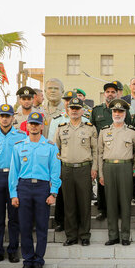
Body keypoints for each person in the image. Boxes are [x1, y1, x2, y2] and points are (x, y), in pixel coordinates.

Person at [9, 112, 61, 268]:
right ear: (27, 125)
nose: (34, 126)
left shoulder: (51, 147)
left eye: (37, 124)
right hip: (23, 188)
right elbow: (13, 171)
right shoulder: (18, 146)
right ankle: (28, 260)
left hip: (42, 189)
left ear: (42, 126)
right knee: (24, 226)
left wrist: (53, 192)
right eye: (31, 123)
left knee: (41, 226)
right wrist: (13, 194)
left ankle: (39, 261)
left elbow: (55, 171)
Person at [0, 103, 27, 264]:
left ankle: (13, 250)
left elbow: (24, 160)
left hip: (15, 179)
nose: (5, 119)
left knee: (14, 217)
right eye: (2, 115)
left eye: (8, 116)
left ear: (13, 117)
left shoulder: (21, 136)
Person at [55, 97, 98, 247]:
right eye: (72, 108)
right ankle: (71, 235)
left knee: (84, 204)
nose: (74, 110)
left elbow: (95, 150)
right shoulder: (61, 128)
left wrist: (94, 168)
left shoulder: (90, 128)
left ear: (82, 111)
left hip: (84, 168)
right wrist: (57, 171)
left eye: (77, 108)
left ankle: (85, 235)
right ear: (68, 110)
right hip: (66, 169)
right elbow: (57, 151)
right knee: (69, 204)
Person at [92, 81, 132, 221]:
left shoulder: (123, 110)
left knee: (120, 188)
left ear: (117, 94)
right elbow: (92, 129)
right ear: (104, 94)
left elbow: (129, 129)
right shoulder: (97, 110)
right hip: (103, 150)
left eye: (113, 92)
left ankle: (120, 211)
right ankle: (103, 210)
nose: (110, 94)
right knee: (103, 185)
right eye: (107, 92)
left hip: (120, 150)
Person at [97, 99, 135, 246]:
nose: (117, 114)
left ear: (125, 114)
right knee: (110, 203)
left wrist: (134, 170)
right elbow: (100, 153)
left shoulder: (132, 132)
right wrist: (101, 174)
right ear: (111, 113)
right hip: (109, 167)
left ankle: (125, 235)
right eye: (115, 111)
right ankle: (113, 235)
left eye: (120, 111)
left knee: (126, 203)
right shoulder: (104, 131)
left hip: (125, 167)